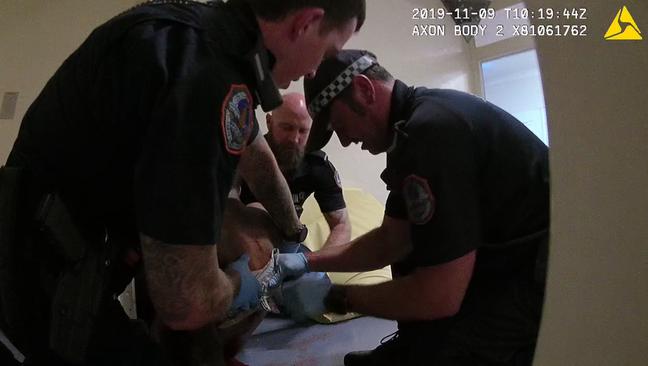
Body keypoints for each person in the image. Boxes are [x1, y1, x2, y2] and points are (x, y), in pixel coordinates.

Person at [0, 0, 365, 364]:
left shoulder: (202, 37)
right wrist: (251, 283)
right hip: (36, 276)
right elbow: (186, 302)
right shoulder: (205, 77)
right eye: (327, 51)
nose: (315, 69)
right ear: (305, 24)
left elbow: (258, 161)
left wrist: (293, 234)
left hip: (58, 254)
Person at [272, 50, 549, 366]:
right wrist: (307, 261)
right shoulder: (412, 129)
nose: (345, 141)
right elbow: (391, 240)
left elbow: (439, 295)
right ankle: (416, 347)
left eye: (338, 123)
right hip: (503, 263)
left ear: (364, 90)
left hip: (536, 277)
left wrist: (335, 297)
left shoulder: (432, 133)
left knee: (451, 340)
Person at [239, 93, 351, 249]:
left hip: (289, 243)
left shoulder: (317, 165)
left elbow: (341, 224)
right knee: (256, 210)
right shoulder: (245, 156)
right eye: (287, 128)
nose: (294, 139)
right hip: (243, 244)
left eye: (303, 131)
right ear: (269, 122)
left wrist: (315, 263)